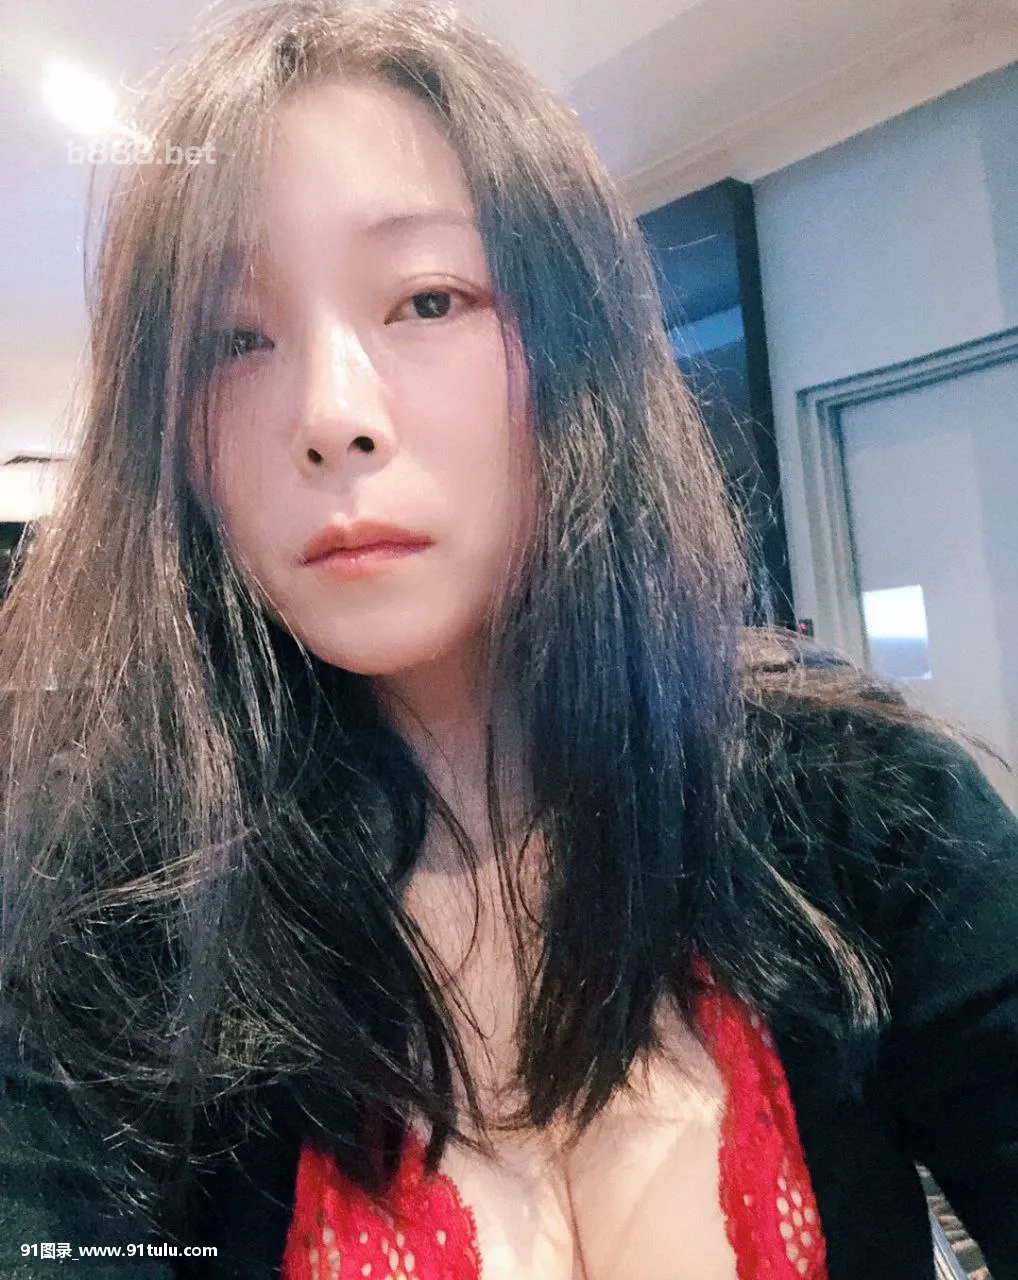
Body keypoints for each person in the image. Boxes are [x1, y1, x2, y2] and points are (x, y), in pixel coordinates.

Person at [0, 3, 1015, 1277]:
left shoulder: (857, 806)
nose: (330, 413)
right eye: (233, 339)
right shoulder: (109, 919)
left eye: (428, 299)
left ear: (574, 349)